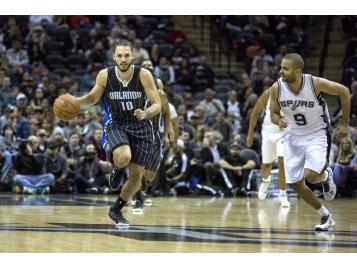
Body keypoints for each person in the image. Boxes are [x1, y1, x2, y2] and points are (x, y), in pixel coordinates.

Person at [75, 39, 161, 226]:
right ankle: (118, 168)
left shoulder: (144, 75)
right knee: (123, 156)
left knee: (137, 176)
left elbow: (157, 104)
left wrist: (146, 112)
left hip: (141, 125)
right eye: (119, 56)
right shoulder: (105, 75)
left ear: (133, 56)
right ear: (114, 57)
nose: (123, 59)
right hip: (118, 123)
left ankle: (116, 210)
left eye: (127, 55)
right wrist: (75, 101)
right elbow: (92, 97)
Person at [270, 53, 350, 231]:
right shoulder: (277, 88)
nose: (281, 71)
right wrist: (278, 120)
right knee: (295, 184)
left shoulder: (314, 83)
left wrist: (344, 123)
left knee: (311, 176)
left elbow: (344, 91)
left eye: (285, 68)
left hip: (316, 134)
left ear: (298, 71)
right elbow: (273, 113)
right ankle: (325, 216)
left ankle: (325, 176)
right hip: (292, 137)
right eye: (281, 67)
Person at [130, 59, 172, 213]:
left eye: (151, 66)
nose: (148, 68)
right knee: (138, 170)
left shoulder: (161, 95)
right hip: (138, 136)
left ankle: (138, 190)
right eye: (145, 66)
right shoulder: (135, 94)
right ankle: (138, 198)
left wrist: (167, 134)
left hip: (155, 136)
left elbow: (166, 114)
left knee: (150, 175)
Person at [246, 88, 290, 207]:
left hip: (285, 133)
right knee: (266, 165)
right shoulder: (268, 93)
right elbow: (255, 112)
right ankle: (266, 181)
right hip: (268, 132)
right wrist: (250, 133)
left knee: (282, 161)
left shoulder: (296, 96)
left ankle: (283, 195)